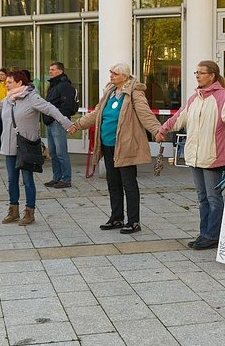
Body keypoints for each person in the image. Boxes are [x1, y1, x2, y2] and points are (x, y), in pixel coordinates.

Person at [156, 60, 225, 250]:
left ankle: (212, 235)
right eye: (196, 72)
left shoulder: (223, 98)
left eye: (201, 72)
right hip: (195, 156)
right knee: (202, 198)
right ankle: (204, 233)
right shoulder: (194, 98)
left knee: (213, 198)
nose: (197, 75)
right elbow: (178, 118)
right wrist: (163, 129)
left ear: (212, 76)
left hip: (213, 157)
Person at [69, 62, 161, 234]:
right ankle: (116, 218)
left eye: (115, 73)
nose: (111, 76)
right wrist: (78, 124)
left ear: (125, 76)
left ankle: (133, 221)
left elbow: (145, 114)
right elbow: (97, 113)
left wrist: (158, 131)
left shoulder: (134, 93)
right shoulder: (110, 92)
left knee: (128, 183)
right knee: (113, 183)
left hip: (125, 146)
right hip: (107, 145)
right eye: (111, 72)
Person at [0, 69, 72, 225]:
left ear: (19, 83)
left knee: (27, 180)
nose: (6, 85)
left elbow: (51, 109)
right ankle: (13, 210)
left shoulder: (32, 98)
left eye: (9, 82)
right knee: (11, 179)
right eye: (5, 82)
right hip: (9, 146)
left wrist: (68, 124)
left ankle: (29, 212)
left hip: (26, 146)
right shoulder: (8, 100)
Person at [43, 61, 78, 188]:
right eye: (49, 69)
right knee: (53, 152)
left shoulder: (64, 86)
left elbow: (67, 106)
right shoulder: (53, 85)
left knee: (61, 152)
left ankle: (66, 179)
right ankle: (56, 177)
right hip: (50, 122)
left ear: (60, 71)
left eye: (52, 69)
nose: (50, 71)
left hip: (58, 123)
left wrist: (57, 119)